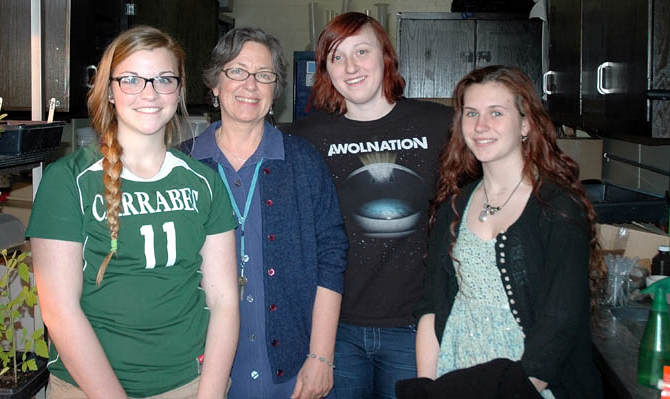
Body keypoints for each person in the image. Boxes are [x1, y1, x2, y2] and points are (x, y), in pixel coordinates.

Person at [27, 25, 239, 399]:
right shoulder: (67, 181)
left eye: (163, 79)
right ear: (108, 90)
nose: (149, 93)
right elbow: (60, 313)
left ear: (179, 90)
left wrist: (211, 393)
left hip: (188, 386)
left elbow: (223, 302)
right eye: (131, 80)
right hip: (88, 390)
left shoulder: (205, 183)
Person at [288, 12, 452, 399]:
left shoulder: (439, 124)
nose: (351, 66)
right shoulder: (309, 137)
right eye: (337, 57)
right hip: (336, 330)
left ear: (385, 57)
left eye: (362, 51)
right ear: (326, 70)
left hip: (415, 326)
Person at [415, 65, 603, 398]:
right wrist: (428, 390)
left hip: (527, 384)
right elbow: (432, 304)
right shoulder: (454, 207)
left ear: (526, 124)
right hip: (456, 375)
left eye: (496, 113)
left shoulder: (557, 210)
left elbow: (558, 324)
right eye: (471, 113)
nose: (480, 126)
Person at [184, 27, 348, 399]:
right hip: (199, 368)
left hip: (293, 367)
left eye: (264, 75)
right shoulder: (183, 165)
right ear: (214, 84)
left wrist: (322, 356)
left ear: (275, 91)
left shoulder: (303, 162)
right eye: (237, 71)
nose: (251, 85)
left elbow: (332, 256)